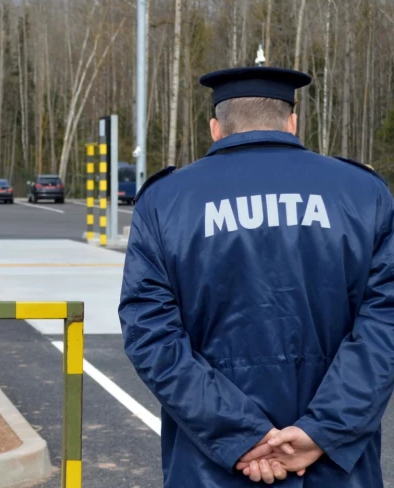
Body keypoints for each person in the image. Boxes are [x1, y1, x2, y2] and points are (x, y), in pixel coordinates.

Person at [118, 66, 394, 487]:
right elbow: (385, 325)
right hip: (335, 468)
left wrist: (242, 436)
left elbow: (151, 334)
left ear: (215, 127)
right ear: (292, 122)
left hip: (211, 467)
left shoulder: (164, 202)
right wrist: (321, 431)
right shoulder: (363, 192)